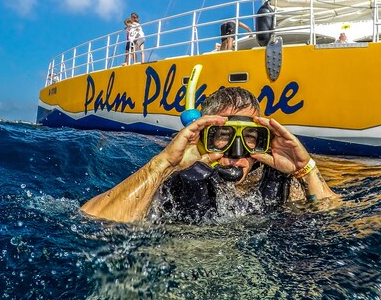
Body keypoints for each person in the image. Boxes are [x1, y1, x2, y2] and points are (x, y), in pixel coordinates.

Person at [80, 87, 337, 223]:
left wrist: (306, 169)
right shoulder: (176, 184)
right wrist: (165, 163)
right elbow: (93, 218)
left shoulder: (282, 185)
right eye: (223, 136)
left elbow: (335, 222)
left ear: (263, 141)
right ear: (205, 138)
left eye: (249, 138)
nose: (237, 153)